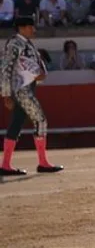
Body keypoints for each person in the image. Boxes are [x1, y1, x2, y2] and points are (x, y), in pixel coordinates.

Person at [1, 16, 63, 175]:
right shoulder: (15, 43)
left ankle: (6, 165)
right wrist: (6, 94)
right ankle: (42, 163)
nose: (33, 29)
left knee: (17, 122)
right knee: (40, 121)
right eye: (30, 26)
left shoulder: (25, 43)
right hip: (22, 90)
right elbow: (6, 68)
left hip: (24, 88)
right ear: (21, 28)